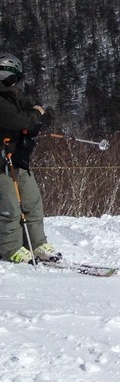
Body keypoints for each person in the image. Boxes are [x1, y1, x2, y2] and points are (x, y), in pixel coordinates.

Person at [0, 51, 59, 263]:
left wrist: (31, 122)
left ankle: (37, 243)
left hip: (16, 158)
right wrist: (35, 115)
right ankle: (11, 248)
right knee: (10, 207)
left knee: (32, 201)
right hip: (2, 163)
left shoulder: (9, 97)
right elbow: (19, 120)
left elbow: (21, 116)